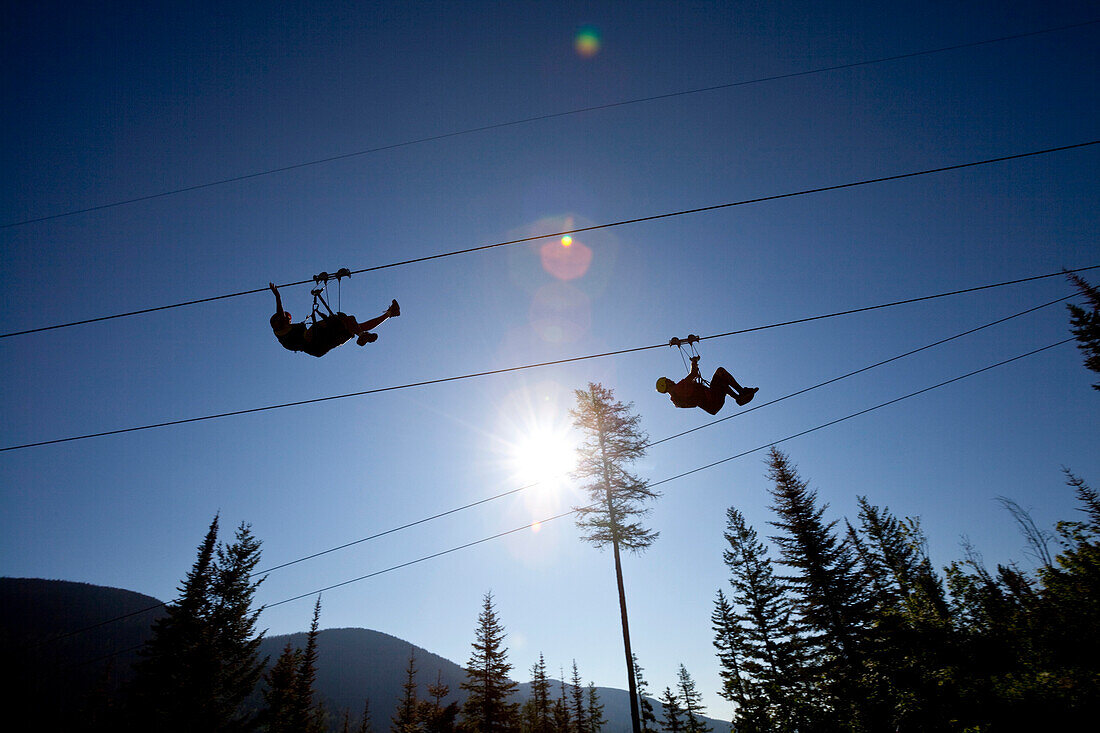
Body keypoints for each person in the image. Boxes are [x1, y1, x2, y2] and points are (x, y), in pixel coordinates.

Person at [268, 282, 399, 358]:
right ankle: (362, 334)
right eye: (286, 319)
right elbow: (281, 313)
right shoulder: (281, 331)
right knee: (344, 321)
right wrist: (277, 296)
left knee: (353, 325)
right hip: (315, 343)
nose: (288, 320)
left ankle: (389, 313)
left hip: (322, 346)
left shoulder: (287, 333)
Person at [656, 355, 758, 415]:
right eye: (668, 380)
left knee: (722, 384)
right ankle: (741, 392)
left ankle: (739, 398)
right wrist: (694, 361)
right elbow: (694, 374)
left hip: (712, 407)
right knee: (720, 372)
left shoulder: (676, 400)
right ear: (665, 385)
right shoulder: (679, 388)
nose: (670, 380)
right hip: (712, 399)